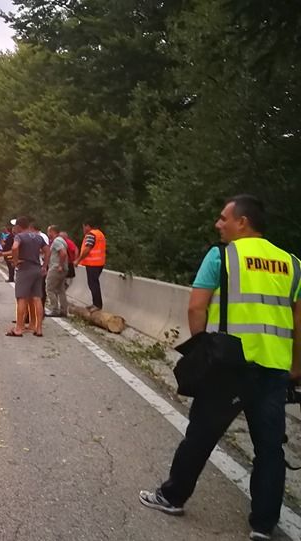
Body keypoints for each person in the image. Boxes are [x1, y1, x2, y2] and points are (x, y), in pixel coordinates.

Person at [139, 195, 301, 541]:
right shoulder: (292, 263)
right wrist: (297, 366)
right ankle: (262, 525)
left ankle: (171, 497)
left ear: (242, 222)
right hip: (273, 369)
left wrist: (203, 351)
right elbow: (299, 320)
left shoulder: (221, 256)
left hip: (229, 366)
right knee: (269, 449)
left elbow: (197, 306)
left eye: (223, 218)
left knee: (200, 437)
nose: (218, 224)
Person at [6, 216, 48, 337]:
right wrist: (44, 266)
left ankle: (18, 328)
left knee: (22, 298)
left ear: (18, 227)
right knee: (37, 298)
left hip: (25, 269)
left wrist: (15, 261)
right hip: (37, 269)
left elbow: (14, 247)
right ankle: (38, 328)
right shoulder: (38, 237)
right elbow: (47, 250)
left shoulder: (19, 237)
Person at [74, 220, 107, 310]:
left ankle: (97, 305)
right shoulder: (100, 234)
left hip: (93, 263)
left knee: (93, 284)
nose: (83, 229)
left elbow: (87, 249)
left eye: (83, 227)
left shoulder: (91, 235)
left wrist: (78, 260)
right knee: (94, 283)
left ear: (87, 226)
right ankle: (95, 303)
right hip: (99, 263)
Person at [45, 225, 68, 317]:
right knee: (60, 290)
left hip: (56, 268)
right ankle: (63, 310)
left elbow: (63, 253)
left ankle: (54, 309)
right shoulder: (62, 240)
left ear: (52, 231)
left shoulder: (57, 241)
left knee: (49, 288)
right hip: (63, 268)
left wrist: (60, 265)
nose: (48, 234)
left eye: (48, 232)